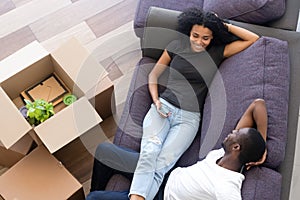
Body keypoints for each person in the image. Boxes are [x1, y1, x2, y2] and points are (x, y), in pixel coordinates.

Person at [129, 7, 260, 200]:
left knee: (163, 163)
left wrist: (222, 24)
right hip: (163, 106)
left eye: (205, 38)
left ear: (212, 38)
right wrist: (156, 100)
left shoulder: (217, 52)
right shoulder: (176, 45)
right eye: (195, 35)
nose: (199, 41)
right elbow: (154, 74)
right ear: (189, 31)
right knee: (149, 152)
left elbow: (253, 39)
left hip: (189, 119)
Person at [86, 98, 267, 200]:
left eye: (236, 133)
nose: (232, 131)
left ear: (236, 147)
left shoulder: (227, 186)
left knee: (94, 199)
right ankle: (103, 186)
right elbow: (257, 105)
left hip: (161, 197)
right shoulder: (224, 154)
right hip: (163, 171)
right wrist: (262, 147)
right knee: (103, 151)